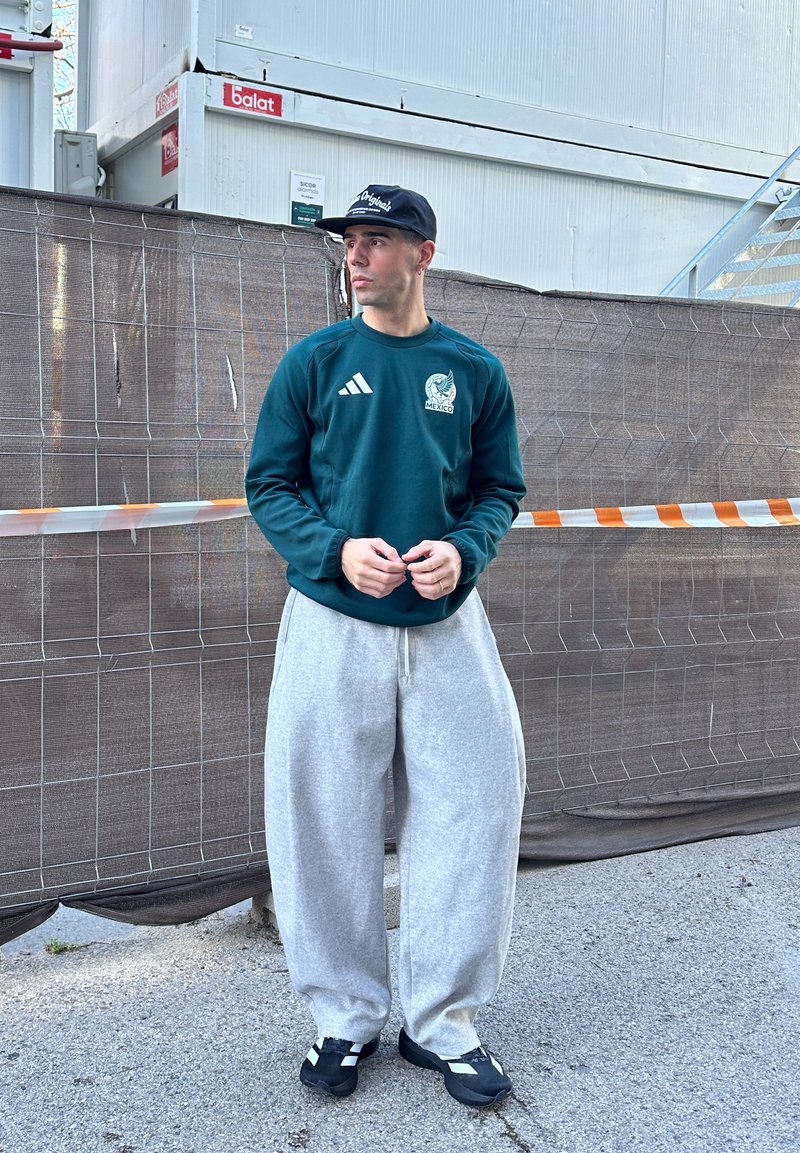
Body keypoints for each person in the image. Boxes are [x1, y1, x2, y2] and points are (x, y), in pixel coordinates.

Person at [245, 184, 527, 1108]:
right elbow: (270, 485)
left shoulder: (474, 369)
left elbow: (497, 490)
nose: (356, 257)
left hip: (447, 625)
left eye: (376, 241)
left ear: (423, 253)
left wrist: (465, 548)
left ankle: (444, 1023)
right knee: (321, 815)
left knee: (474, 804)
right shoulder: (315, 362)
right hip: (331, 622)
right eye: (350, 242)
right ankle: (343, 1017)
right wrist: (334, 549)